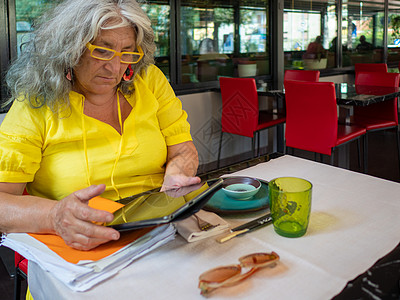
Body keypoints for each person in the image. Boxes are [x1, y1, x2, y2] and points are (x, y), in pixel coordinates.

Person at [0, 0, 200, 252]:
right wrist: (55, 216)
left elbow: (183, 148)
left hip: (159, 229)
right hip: (81, 242)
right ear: (70, 49)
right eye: (102, 51)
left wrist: (177, 176)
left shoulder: (149, 81)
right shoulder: (37, 103)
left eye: (127, 53)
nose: (115, 68)